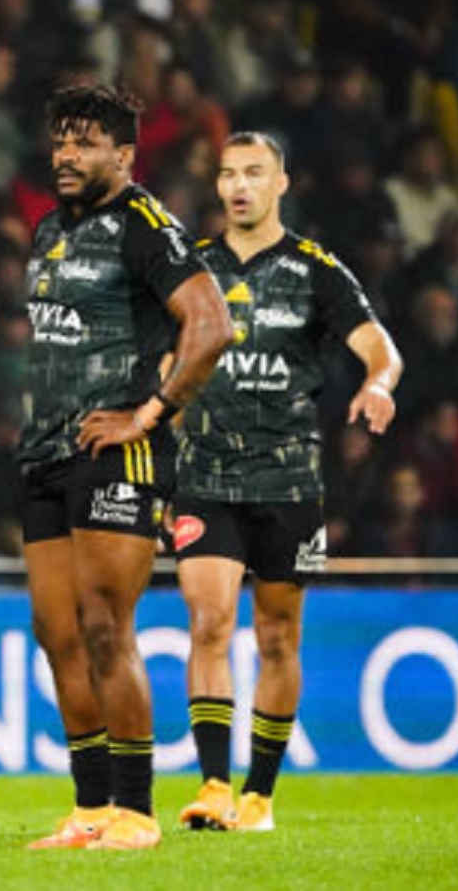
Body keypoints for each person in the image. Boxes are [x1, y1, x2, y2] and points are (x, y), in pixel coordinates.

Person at [19, 84, 230, 851]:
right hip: (45, 454)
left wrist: (150, 413)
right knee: (57, 633)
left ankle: (136, 812)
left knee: (107, 626)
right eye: (60, 141)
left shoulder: (143, 224)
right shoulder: (48, 230)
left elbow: (212, 326)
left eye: (85, 142)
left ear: (124, 154)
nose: (67, 155)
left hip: (120, 455)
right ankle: (91, 808)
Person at [173, 132, 402, 833]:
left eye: (254, 173)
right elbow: (160, 361)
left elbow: (379, 348)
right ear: (217, 187)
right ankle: (212, 784)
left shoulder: (314, 269)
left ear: (281, 183)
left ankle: (259, 797)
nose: (239, 185)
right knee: (209, 621)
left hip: (288, 477)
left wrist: (380, 384)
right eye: (228, 174)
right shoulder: (191, 267)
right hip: (205, 471)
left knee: (277, 636)